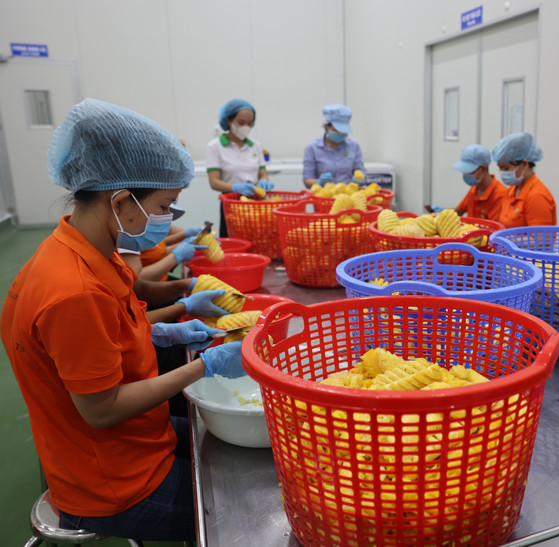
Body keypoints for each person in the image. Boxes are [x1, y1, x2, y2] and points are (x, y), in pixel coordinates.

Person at [0, 98, 247, 542]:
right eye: (165, 205)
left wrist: (164, 329)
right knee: (237, 509)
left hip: (135, 438)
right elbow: (103, 410)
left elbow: (106, 333)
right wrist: (204, 366)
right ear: (120, 201)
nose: (168, 218)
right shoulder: (73, 291)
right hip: (112, 481)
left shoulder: (87, 251)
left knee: (232, 448)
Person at [205, 98, 273, 236]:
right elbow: (214, 182)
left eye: (250, 123)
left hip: (256, 203)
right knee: (233, 240)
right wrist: (236, 187)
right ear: (228, 120)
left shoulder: (255, 146)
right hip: (230, 204)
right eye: (241, 122)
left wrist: (264, 181)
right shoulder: (215, 147)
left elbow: (263, 174)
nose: (245, 127)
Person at [492, 132, 556, 227]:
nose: (502, 172)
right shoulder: (511, 191)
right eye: (500, 168)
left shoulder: (537, 197)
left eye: (506, 168)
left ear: (525, 164)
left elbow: (540, 236)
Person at [302, 103, 365, 189]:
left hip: (348, 195)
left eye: (344, 130)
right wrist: (319, 182)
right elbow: (307, 180)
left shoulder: (354, 146)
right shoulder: (312, 148)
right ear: (327, 126)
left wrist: (361, 178)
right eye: (337, 130)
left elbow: (360, 170)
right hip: (323, 195)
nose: (341, 133)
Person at [450, 144, 506, 221]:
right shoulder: (475, 188)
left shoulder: (500, 194)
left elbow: (494, 226)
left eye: (469, 171)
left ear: (483, 169)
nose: (466, 175)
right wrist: (441, 214)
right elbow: (459, 210)